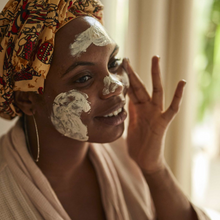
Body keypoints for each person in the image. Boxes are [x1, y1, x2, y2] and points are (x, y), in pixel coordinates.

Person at [0, 0, 211, 219]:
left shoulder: (126, 156)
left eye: (112, 64)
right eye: (83, 78)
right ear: (27, 98)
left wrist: (154, 169)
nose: (117, 85)